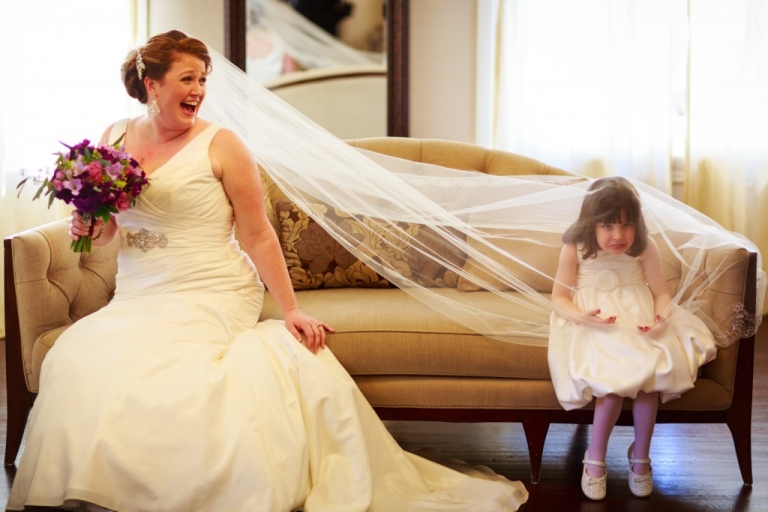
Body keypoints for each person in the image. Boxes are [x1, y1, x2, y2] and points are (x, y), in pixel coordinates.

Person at [7, 30, 528, 511]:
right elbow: (110, 230)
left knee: (167, 370)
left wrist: (293, 308)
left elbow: (257, 234)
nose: (199, 91)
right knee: (78, 356)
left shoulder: (223, 145)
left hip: (210, 287)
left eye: (203, 81)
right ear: (152, 84)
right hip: (140, 289)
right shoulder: (114, 137)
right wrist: (87, 223)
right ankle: (106, 489)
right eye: (187, 79)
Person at [547, 177, 718, 501]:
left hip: (637, 317)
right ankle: (594, 459)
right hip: (596, 322)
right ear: (590, 223)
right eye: (608, 225)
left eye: (626, 225)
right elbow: (559, 297)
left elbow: (661, 293)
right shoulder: (575, 248)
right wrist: (581, 316)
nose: (618, 235)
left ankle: (641, 457)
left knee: (649, 377)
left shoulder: (645, 247)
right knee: (611, 385)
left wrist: (661, 318)